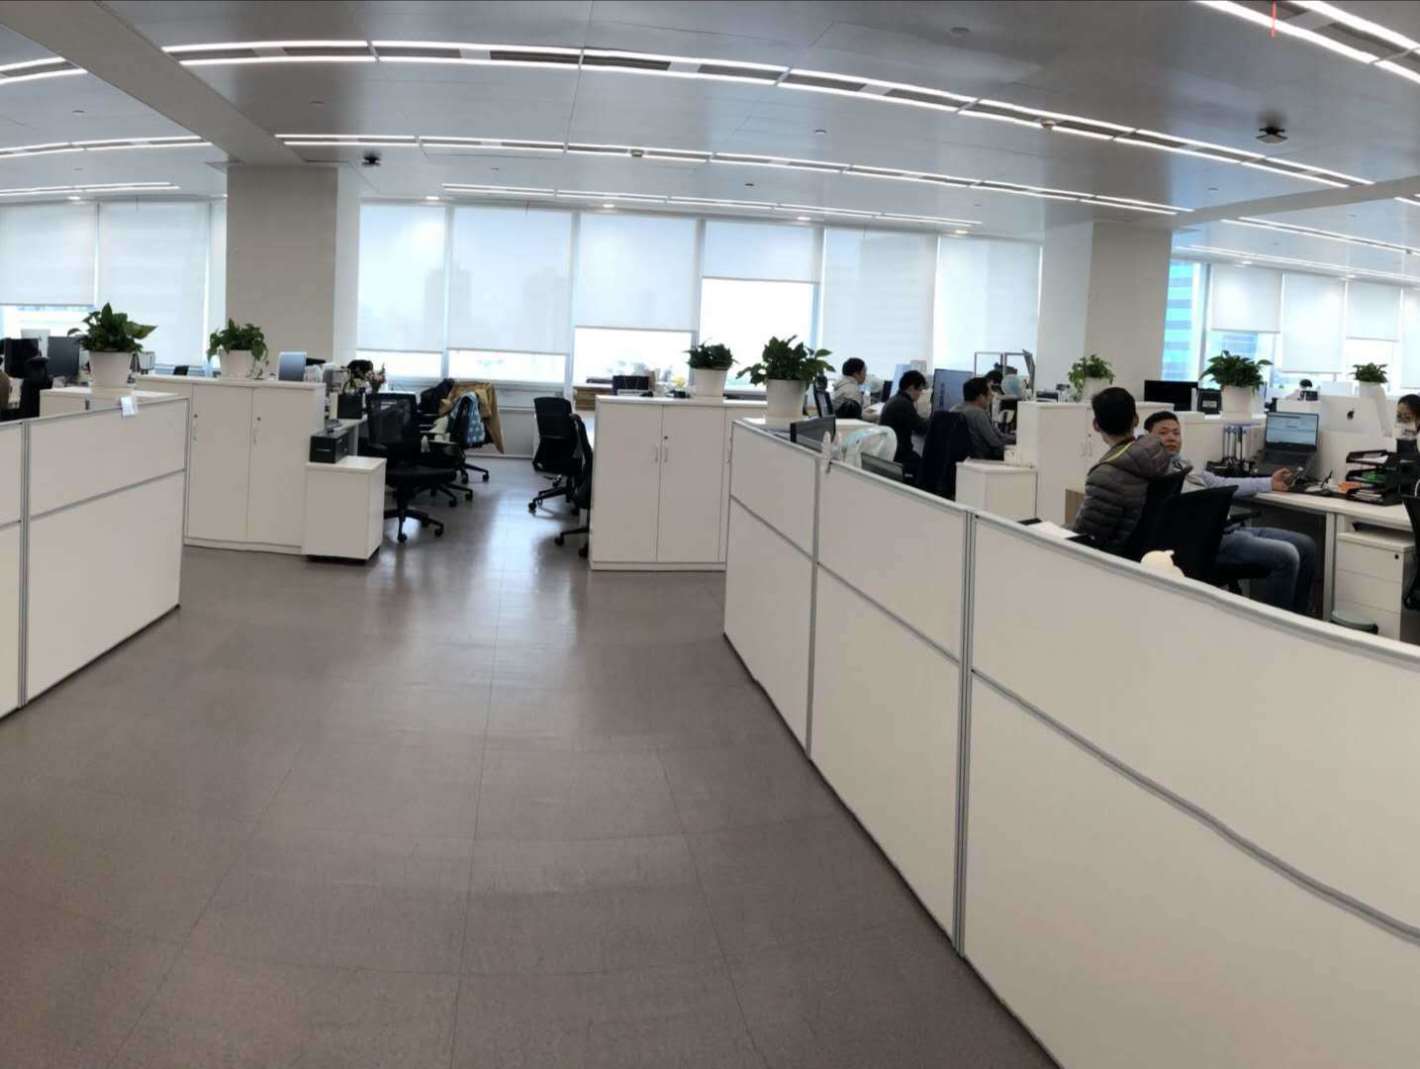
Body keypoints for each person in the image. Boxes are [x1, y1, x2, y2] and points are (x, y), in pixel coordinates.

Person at [1145, 410, 1317, 613]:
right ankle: (1273, 625)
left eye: (1176, 433)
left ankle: (1298, 619)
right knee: (1287, 555)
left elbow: (1223, 483)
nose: (1171, 438)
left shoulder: (1185, 466)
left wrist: (1270, 482)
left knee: (1306, 545)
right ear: (1147, 438)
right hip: (1206, 540)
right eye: (1163, 433)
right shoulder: (1153, 473)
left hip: (1230, 529)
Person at [1071, 387, 1170, 553]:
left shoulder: (1105, 477)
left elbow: (1084, 538)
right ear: (1136, 420)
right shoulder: (1158, 454)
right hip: (1145, 554)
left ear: (1096, 425)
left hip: (1109, 557)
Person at [950, 376, 1014, 460]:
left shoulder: (953, 409)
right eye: (990, 393)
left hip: (962, 461)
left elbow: (999, 436)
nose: (992, 396)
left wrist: (1016, 439)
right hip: (981, 460)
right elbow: (996, 444)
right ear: (980, 397)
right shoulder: (978, 414)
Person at [879, 369, 929, 472]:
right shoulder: (904, 404)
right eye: (919, 390)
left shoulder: (895, 399)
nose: (920, 394)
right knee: (927, 466)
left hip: (891, 451)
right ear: (911, 388)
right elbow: (921, 428)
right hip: (899, 455)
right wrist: (937, 419)